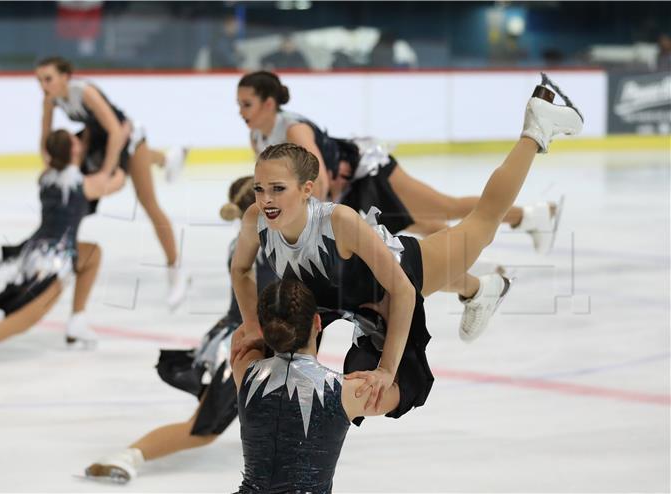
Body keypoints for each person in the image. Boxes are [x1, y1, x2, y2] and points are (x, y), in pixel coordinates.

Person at [231, 76, 583, 414]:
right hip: (340, 299)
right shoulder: (255, 218)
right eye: (260, 188)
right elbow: (241, 268)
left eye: (278, 188)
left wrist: (386, 370)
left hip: (399, 274)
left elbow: (403, 291)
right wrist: (252, 326)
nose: (265, 199)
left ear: (307, 189)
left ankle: (535, 129)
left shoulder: (339, 221)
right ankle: (481, 290)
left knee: (483, 223)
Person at [83, 176, 279, 483]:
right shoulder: (266, 246)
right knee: (204, 428)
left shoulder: (246, 242)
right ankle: (129, 455)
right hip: (248, 344)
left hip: (235, 338)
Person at [237, 70, 562, 255]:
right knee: (418, 224)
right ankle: (468, 269)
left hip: (369, 173)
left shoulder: (292, 128)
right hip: (349, 191)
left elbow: (317, 178)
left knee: (442, 206)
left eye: (247, 104)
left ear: (269, 103)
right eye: (239, 104)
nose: (241, 111)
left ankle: (531, 215)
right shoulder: (258, 138)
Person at [0, 127, 128, 370]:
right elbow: (117, 180)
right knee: (26, 319)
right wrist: (119, 148)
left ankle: (77, 321)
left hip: (35, 250)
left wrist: (48, 109)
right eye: (75, 141)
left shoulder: (45, 178)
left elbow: (46, 146)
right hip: (54, 260)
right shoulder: (84, 185)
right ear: (73, 150)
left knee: (92, 253)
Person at [35, 56, 189, 308]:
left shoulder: (85, 92)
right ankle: (168, 157)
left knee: (148, 203)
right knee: (79, 195)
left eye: (48, 78)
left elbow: (117, 131)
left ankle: (176, 269)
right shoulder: (50, 99)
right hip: (96, 141)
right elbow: (45, 136)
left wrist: (107, 172)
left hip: (126, 137)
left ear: (65, 76)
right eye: (39, 80)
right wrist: (49, 167)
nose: (43, 84)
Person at [231, 278, 401, 493]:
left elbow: (244, 330)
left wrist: (254, 332)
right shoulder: (347, 391)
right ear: (318, 323)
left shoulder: (244, 369)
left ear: (264, 331)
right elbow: (402, 391)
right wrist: (386, 324)